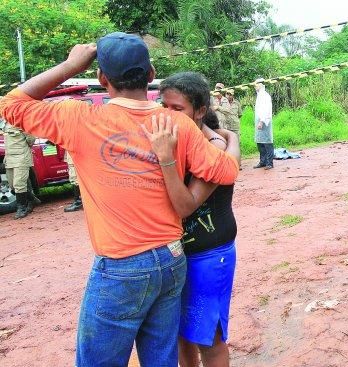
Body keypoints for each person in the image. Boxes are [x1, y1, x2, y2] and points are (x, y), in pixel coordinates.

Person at [0, 33, 240, 366]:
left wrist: (70, 66)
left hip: (121, 266)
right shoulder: (176, 124)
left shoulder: (78, 118)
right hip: (172, 258)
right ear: (151, 74)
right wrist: (229, 138)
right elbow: (226, 170)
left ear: (102, 79)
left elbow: (12, 104)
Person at [145, 72, 240, 367]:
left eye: (178, 109)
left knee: (208, 339)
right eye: (165, 106)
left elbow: (186, 205)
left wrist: (165, 159)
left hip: (208, 256)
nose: (169, 115)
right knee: (182, 336)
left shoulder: (215, 147)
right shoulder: (175, 139)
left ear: (199, 111)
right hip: (177, 255)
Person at [2, 121, 39, 219]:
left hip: (21, 157)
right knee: (12, 185)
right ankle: (32, 199)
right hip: (9, 158)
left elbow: (31, 139)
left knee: (19, 184)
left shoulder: (22, 121)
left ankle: (21, 208)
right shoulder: (4, 122)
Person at [254, 79, 274, 170]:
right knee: (260, 143)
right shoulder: (259, 96)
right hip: (259, 122)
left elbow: (266, 110)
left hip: (265, 122)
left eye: (256, 85)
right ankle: (263, 161)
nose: (255, 86)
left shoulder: (265, 96)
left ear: (261, 85)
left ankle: (269, 163)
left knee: (267, 143)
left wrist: (261, 121)